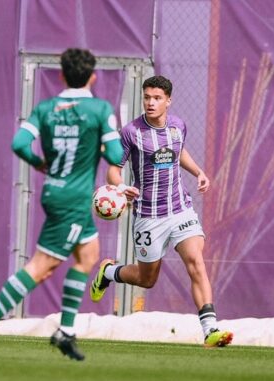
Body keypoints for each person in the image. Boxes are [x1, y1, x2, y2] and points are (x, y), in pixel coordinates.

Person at [0, 48, 123, 361]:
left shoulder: (46, 108)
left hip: (54, 191)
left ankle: (66, 331)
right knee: (41, 268)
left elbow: (19, 144)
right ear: (92, 77)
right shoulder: (100, 109)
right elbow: (117, 156)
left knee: (88, 255)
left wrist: (40, 163)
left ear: (62, 75)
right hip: (75, 201)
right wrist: (100, 147)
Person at [90, 75, 233, 347]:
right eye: (147, 98)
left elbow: (178, 153)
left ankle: (211, 329)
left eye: (156, 98)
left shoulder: (178, 126)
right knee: (147, 279)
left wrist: (199, 172)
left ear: (168, 100)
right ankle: (108, 272)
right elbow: (113, 170)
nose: (150, 103)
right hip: (148, 217)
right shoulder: (131, 132)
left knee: (195, 260)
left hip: (180, 209)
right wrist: (121, 188)